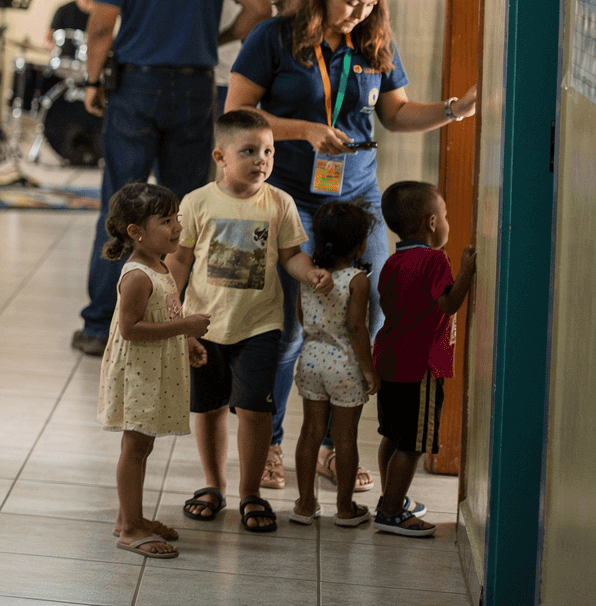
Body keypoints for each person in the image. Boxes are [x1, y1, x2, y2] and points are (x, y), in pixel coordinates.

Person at [227, 0, 478, 494]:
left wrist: (455, 110)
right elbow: (238, 113)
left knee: (371, 320)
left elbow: (395, 113)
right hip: (293, 198)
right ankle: (268, 444)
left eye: (370, 4)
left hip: (358, 200)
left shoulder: (373, 42)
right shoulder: (274, 37)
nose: (359, 14)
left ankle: (329, 446)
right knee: (290, 328)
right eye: (350, 2)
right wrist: (303, 129)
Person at [74, 0, 272, 357]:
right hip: (193, 87)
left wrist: (92, 81)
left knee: (121, 207)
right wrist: (219, 39)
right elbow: (260, 8)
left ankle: (102, 326)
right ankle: (176, 324)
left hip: (136, 88)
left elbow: (101, 25)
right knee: (183, 213)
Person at [175, 108, 328, 535]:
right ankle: (213, 485)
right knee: (207, 409)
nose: (262, 160)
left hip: (260, 325)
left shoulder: (280, 203)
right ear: (220, 157)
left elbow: (291, 257)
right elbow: (180, 260)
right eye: (249, 151)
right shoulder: (198, 203)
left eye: (268, 151)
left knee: (256, 411)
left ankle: (249, 492)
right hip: (204, 326)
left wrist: (310, 271)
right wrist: (172, 312)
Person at [98, 182, 208, 560]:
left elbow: (167, 312)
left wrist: (187, 341)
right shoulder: (137, 276)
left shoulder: (159, 264)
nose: (177, 227)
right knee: (135, 447)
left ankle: (129, 517)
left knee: (143, 446)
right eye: (166, 220)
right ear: (136, 232)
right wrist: (185, 329)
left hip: (155, 368)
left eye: (176, 218)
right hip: (138, 375)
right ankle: (130, 530)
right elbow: (130, 329)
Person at [372, 181, 476, 536]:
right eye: (445, 215)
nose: (447, 221)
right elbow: (448, 302)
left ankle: (391, 498)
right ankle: (390, 511)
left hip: (389, 360)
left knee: (392, 435)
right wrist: (466, 270)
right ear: (432, 223)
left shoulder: (393, 261)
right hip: (420, 368)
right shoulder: (435, 260)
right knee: (414, 444)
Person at [290, 199, 380, 527]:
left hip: (311, 361)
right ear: (361, 244)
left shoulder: (310, 275)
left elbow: (302, 316)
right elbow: (356, 327)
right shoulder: (357, 279)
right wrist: (369, 369)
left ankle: (304, 504)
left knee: (310, 432)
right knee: (345, 437)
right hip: (344, 366)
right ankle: (344, 508)